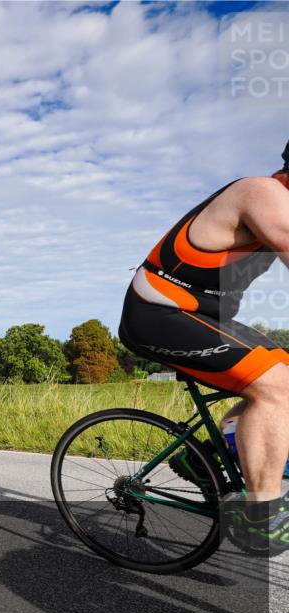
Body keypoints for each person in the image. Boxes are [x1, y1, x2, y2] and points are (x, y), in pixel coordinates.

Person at [119, 140, 289, 553]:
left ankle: (203, 456)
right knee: (277, 387)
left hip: (202, 317)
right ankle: (259, 516)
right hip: (161, 311)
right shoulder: (262, 193)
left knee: (280, 372)